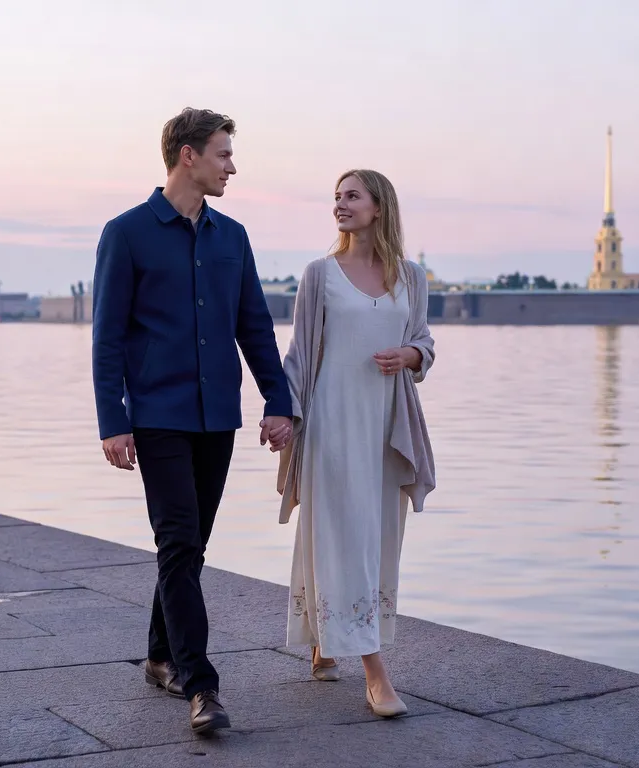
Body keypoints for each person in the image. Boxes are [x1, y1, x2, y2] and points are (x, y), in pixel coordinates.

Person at [92, 107, 294, 735]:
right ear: (188, 155)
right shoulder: (125, 233)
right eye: (223, 154)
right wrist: (113, 420)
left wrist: (277, 400)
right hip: (156, 416)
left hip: (217, 417)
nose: (232, 166)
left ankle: (158, 655)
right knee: (178, 541)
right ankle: (200, 686)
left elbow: (254, 326)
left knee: (191, 545)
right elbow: (108, 337)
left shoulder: (232, 237)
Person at [276, 169, 437, 718]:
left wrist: (410, 357)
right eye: (336, 198)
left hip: (387, 428)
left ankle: (325, 638)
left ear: (379, 207)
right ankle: (376, 674)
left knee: (374, 539)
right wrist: (284, 414)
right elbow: (299, 353)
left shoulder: (410, 276)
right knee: (344, 536)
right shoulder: (319, 275)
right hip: (333, 423)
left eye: (352, 196)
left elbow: (424, 343)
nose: (340, 205)